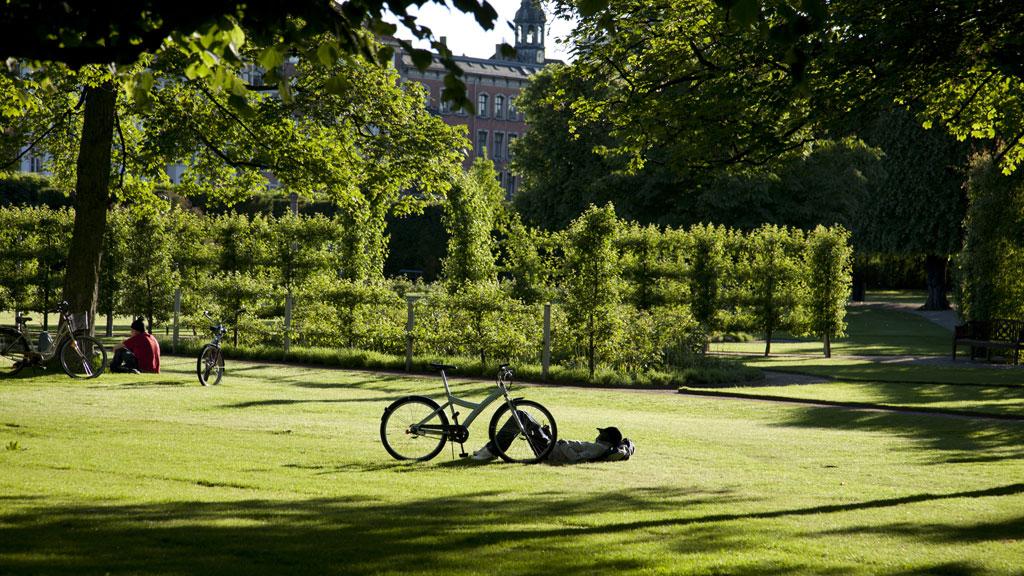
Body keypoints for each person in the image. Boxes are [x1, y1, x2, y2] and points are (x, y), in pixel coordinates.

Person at [472, 423, 634, 464]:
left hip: (550, 451)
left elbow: (576, 459)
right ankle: (491, 449)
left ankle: (491, 450)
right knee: (522, 417)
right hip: (551, 446)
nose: (597, 436)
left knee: (521, 415)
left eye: (601, 434)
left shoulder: (599, 449)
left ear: (607, 438)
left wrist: (562, 444)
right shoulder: (600, 447)